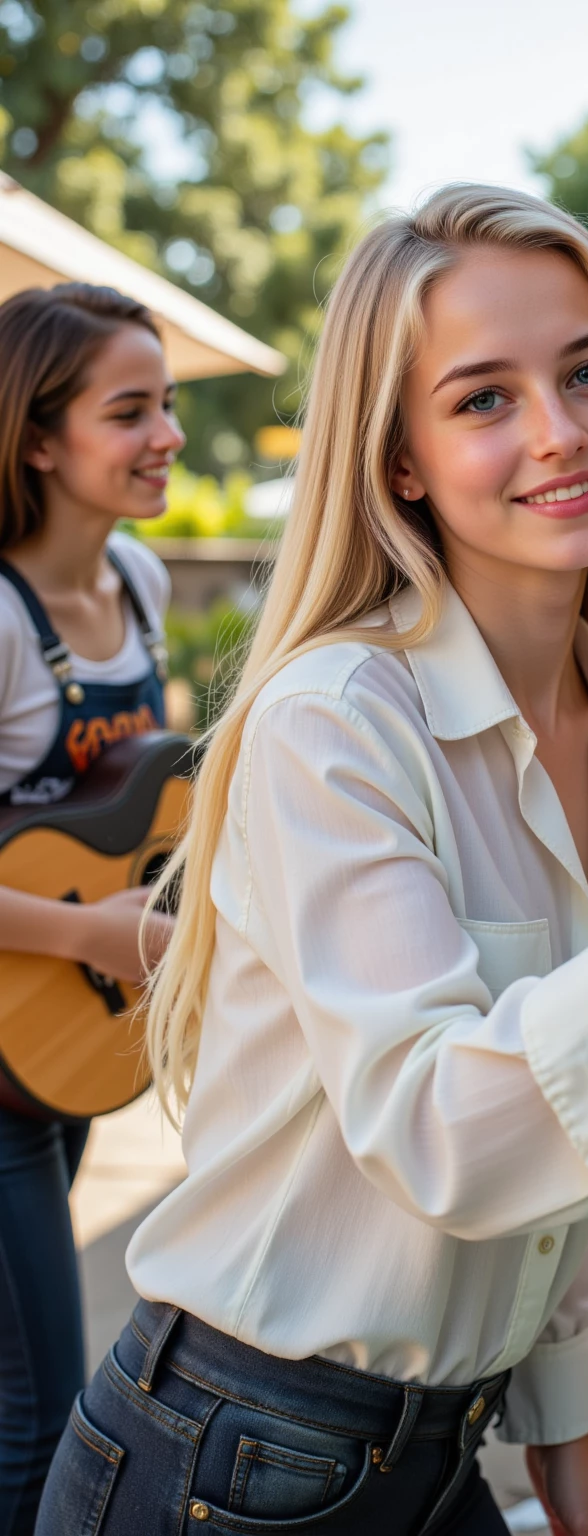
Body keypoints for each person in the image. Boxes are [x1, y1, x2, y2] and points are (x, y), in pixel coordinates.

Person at [39, 188, 588, 1536]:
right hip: (229, 1458)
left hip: (440, 1451)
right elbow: (448, 1128)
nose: (560, 433)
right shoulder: (334, 723)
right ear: (400, 463)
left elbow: (565, 1141)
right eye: (483, 399)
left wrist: (566, 1432)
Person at [0, 283, 181, 1533]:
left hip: (52, 1041)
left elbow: (132, 810)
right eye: (132, 411)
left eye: (166, 402)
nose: (167, 432)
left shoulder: (140, 579)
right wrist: (94, 933)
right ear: (37, 440)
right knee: (37, 1408)